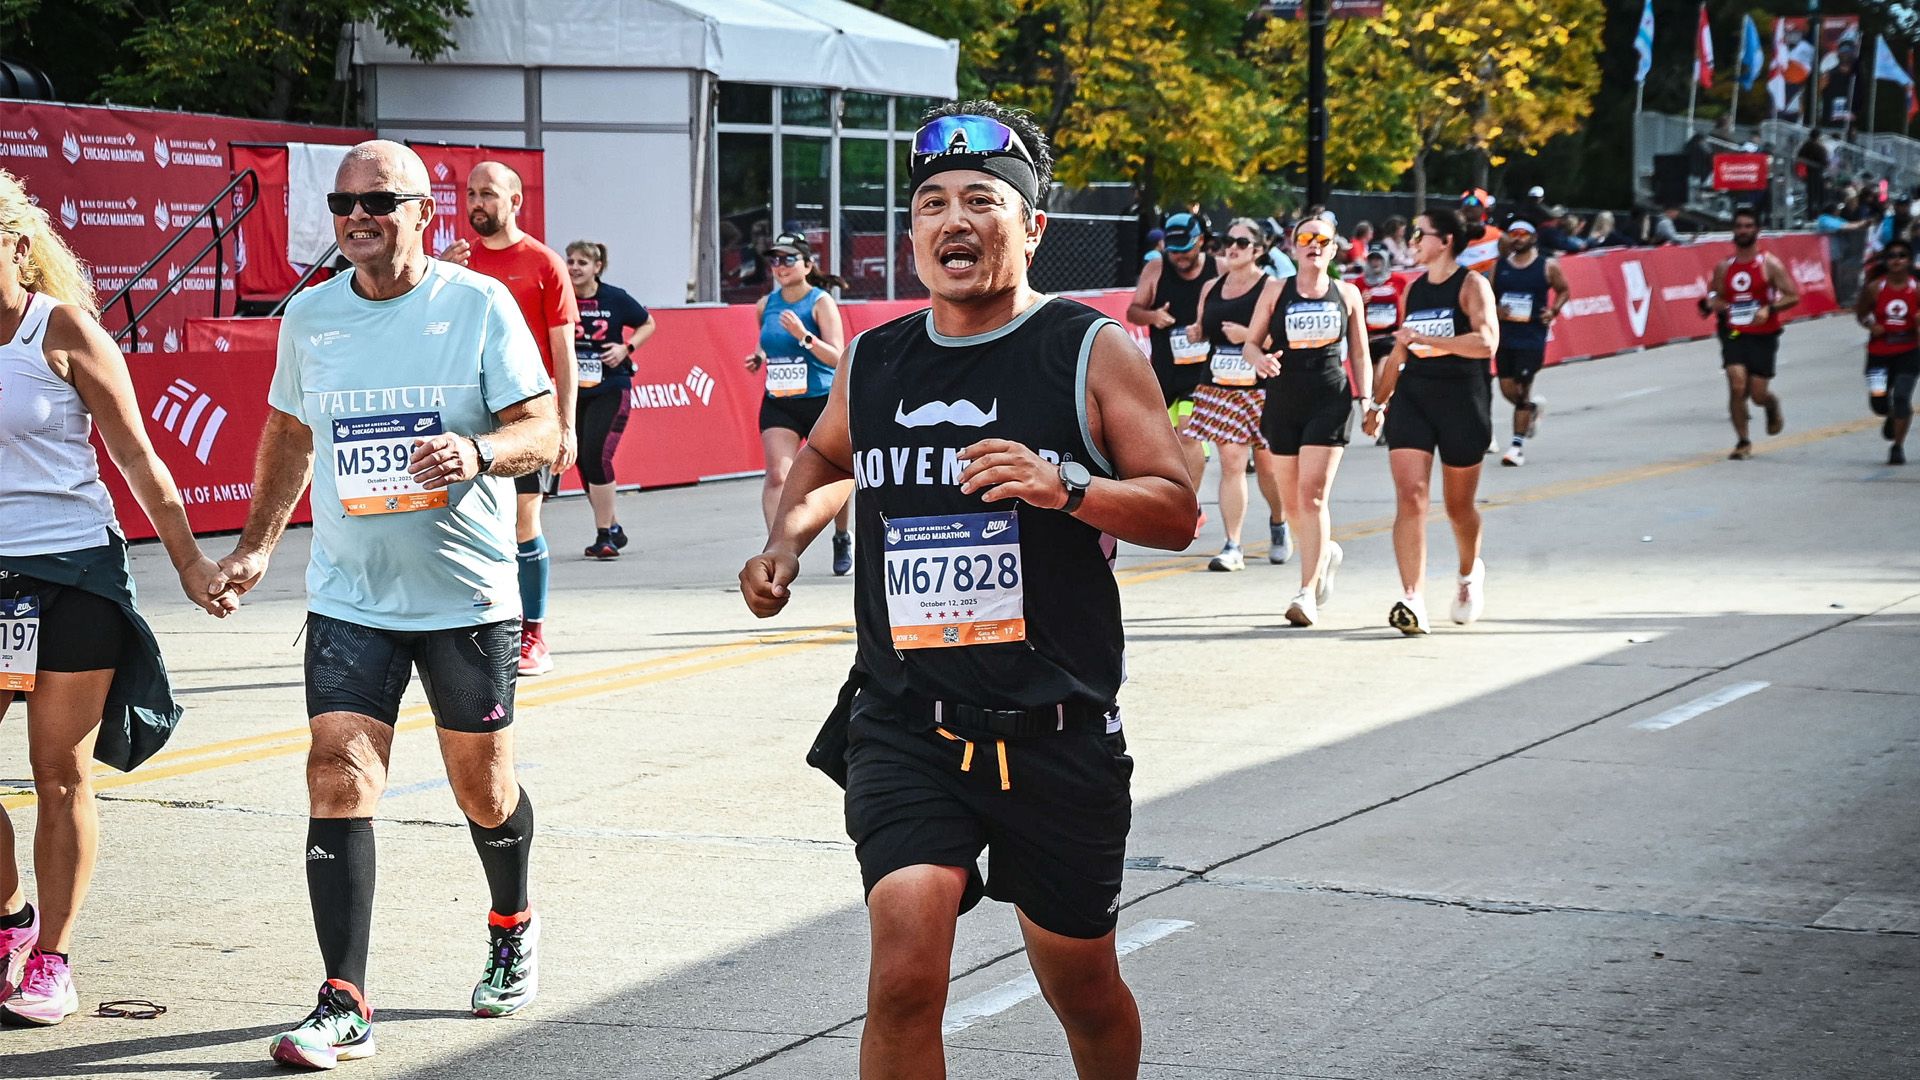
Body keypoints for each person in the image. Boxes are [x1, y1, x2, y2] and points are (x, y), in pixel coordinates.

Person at [738, 101, 1198, 1079]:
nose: (954, 220)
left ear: (1032, 228)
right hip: (906, 718)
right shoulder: (876, 357)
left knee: (1083, 988)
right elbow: (823, 464)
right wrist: (783, 543)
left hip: (1055, 728)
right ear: (912, 232)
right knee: (904, 970)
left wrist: (1065, 485)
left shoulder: (1089, 348)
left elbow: (1176, 508)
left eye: (982, 201)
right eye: (933, 203)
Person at [216, 141, 558, 1069]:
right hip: (350, 596)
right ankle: (345, 999)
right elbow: (290, 432)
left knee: (481, 791)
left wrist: (480, 452)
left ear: (422, 210)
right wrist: (256, 546)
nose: (357, 216)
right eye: (342, 203)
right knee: (336, 773)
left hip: (465, 595)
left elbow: (545, 426)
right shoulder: (312, 315)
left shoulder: (476, 303)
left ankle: (511, 919)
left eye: (378, 201)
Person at [0, 169, 232, 1027]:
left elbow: (139, 459)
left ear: (20, 248)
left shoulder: (61, 331)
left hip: (73, 574)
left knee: (56, 773)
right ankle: (10, 923)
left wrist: (190, 568)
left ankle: (51, 959)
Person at [439, 162, 578, 677]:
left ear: (515, 201)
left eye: (489, 194)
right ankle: (475, 628)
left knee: (523, 522)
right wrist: (439, 274)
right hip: (464, 417)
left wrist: (565, 424)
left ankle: (533, 636)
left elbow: (564, 352)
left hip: (523, 416)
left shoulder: (543, 263)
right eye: (471, 193)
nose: (477, 203)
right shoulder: (454, 263)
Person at [1368, 208, 1499, 635]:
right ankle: (1412, 599)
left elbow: (1486, 342)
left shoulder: (1472, 285)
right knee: (1411, 497)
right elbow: (1402, 351)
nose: (1411, 243)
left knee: (1458, 508)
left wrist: (1428, 339)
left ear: (1444, 241)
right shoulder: (1415, 289)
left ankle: (1467, 575)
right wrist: (1377, 403)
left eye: (1418, 235)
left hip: (1463, 400)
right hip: (1415, 399)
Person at [1264, 213, 1371, 627]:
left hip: (1330, 398)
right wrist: (1258, 358)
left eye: (1323, 240)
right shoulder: (1277, 290)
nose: (1314, 245)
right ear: (1293, 246)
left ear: (1334, 247)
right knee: (1291, 504)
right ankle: (1324, 552)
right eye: (1306, 238)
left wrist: (1370, 402)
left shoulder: (1347, 294)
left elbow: (1359, 353)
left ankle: (1305, 592)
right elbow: (1255, 342)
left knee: (1312, 496)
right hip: (1284, 399)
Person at [1183, 218, 1291, 572]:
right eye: (1229, 240)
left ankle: (1279, 521)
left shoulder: (1271, 287)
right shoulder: (1211, 286)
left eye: (1242, 243)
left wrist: (1248, 335)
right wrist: (1197, 332)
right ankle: (1234, 544)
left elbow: (1283, 341)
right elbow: (1203, 329)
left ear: (1258, 250)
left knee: (1268, 468)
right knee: (1231, 463)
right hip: (1220, 385)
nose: (1232, 247)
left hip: (1262, 387)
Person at [745, 231, 853, 575]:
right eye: (774, 260)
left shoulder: (820, 301)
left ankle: (841, 536)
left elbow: (838, 356)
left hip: (821, 399)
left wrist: (804, 337)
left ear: (807, 265)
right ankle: (776, 549)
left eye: (789, 259)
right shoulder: (766, 304)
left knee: (835, 474)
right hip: (780, 400)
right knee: (778, 474)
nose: (780, 266)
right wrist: (760, 356)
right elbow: (770, 343)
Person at [565, 241, 655, 558]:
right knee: (582, 459)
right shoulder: (561, 293)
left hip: (610, 387)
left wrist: (625, 349)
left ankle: (604, 535)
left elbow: (648, 323)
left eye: (582, 263)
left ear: (597, 267)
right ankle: (613, 526)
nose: (575, 268)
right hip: (573, 390)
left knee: (596, 455)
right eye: (571, 261)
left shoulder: (614, 297)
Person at [1125, 211, 1217, 509]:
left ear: (1200, 242)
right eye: (1173, 250)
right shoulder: (1156, 268)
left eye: (1185, 250)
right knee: (1170, 442)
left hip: (1205, 372)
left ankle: (1189, 506)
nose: (1178, 257)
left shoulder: (1219, 269)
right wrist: (1153, 316)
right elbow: (1133, 312)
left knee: (1189, 432)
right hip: (1166, 370)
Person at [1702, 207, 1799, 460]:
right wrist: (1715, 302)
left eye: (1748, 226)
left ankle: (1771, 404)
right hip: (1734, 332)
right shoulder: (1725, 267)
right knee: (1736, 384)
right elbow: (1713, 293)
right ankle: (1743, 441)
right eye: (1739, 226)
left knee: (1756, 394)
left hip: (1763, 333)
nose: (1743, 231)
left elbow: (1792, 295)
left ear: (1757, 230)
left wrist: (1770, 308)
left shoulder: (1769, 264)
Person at [1490, 220, 1570, 467]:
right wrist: (1494, 309)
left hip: (1532, 336)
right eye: (1514, 234)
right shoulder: (1500, 266)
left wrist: (1553, 311)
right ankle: (1531, 409)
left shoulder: (1547, 266)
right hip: (1505, 335)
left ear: (1534, 238)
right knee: (1507, 389)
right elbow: (1487, 295)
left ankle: (1516, 446)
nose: (1518, 238)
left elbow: (1564, 290)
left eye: (1524, 234)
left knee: (1523, 387)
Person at [1855, 237, 1917, 465]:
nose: (1897, 260)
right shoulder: (1875, 287)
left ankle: (1897, 446)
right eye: (1892, 256)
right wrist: (1872, 325)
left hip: (1908, 352)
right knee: (1879, 401)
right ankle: (1890, 416)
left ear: (1909, 261)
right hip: (1879, 353)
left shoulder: (1916, 288)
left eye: (1902, 256)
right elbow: (1861, 314)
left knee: (1901, 396)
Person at [1457, 190, 1505, 273]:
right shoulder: (1449, 232)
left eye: (1473, 201)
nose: (1468, 204)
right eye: (1465, 201)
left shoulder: (1497, 235)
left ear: (1484, 207)